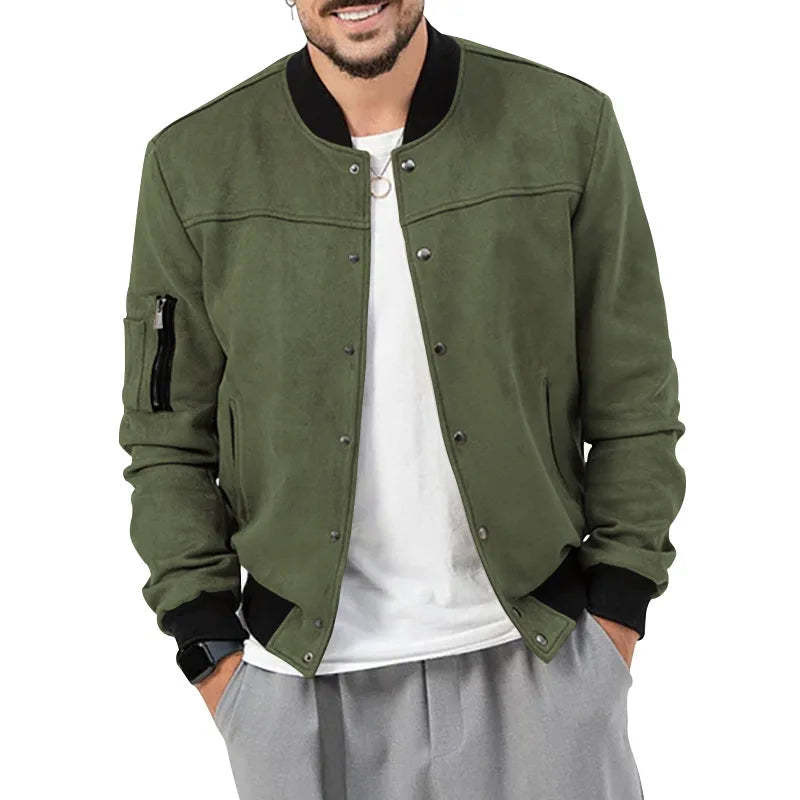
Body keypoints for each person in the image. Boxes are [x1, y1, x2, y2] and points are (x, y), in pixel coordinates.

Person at [119, 2, 686, 798]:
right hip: (297, 687)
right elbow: (166, 435)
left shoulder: (565, 126)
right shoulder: (194, 164)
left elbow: (635, 393)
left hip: (544, 657)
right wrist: (211, 651)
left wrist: (618, 610)